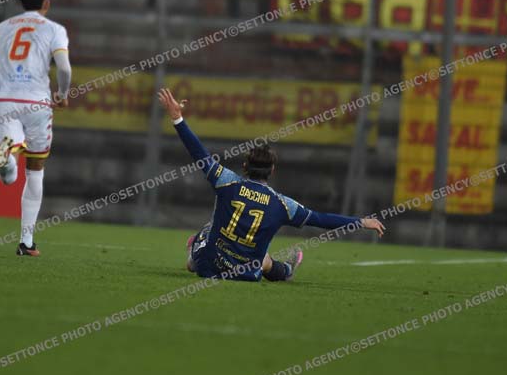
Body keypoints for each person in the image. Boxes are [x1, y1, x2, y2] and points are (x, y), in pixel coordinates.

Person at [157, 88, 385, 282]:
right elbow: (320, 219)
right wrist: (361, 222)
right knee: (262, 259)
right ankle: (284, 270)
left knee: (203, 239)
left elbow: (199, 154)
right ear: (272, 170)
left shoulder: (226, 181)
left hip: (209, 267)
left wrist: (177, 118)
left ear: (244, 166)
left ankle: (195, 250)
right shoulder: (283, 205)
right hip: (245, 274)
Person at [0, 0, 72, 257]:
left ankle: (7, 159)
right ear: (46, 3)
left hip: (4, 101)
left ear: (21, 2)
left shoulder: (1, 28)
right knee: (36, 169)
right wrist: (62, 94)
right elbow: (63, 68)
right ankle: (27, 242)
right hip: (37, 103)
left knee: (8, 179)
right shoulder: (54, 30)